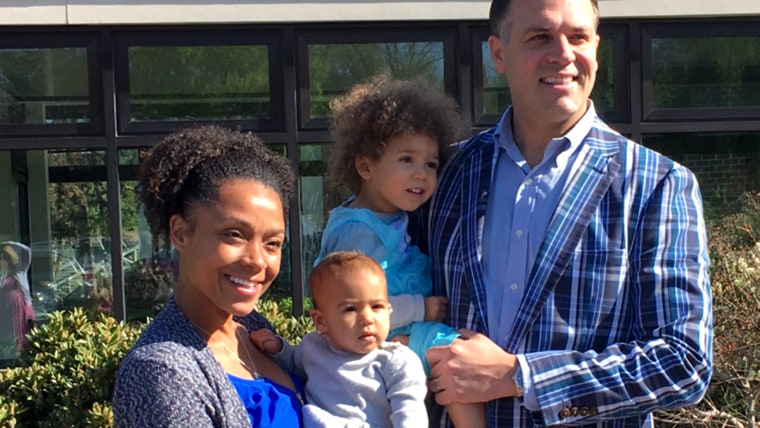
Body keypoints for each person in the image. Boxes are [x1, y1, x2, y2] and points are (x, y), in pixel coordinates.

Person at [416, 0, 713, 426]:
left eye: (578, 37)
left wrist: (520, 377)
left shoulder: (656, 184)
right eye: (539, 37)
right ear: (498, 53)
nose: (562, 53)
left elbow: (683, 362)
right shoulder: (445, 175)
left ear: (596, 47)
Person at [315, 76, 485, 427]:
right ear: (365, 167)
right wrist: (421, 307)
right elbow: (354, 304)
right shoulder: (357, 232)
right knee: (458, 354)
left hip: (393, 334)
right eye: (406, 159)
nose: (421, 175)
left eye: (431, 164)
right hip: (379, 337)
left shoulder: (393, 217)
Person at [113, 125, 304, 427]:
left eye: (273, 243)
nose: (257, 261)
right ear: (180, 233)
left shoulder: (252, 330)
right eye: (234, 235)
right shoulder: (160, 371)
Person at [252, 251, 428, 427]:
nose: (367, 318)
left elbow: (409, 411)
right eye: (351, 309)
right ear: (321, 321)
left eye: (377, 306)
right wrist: (277, 348)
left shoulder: (396, 360)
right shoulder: (313, 347)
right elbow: (293, 362)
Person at [0, 241, 34, 357]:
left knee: (22, 333)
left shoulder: (20, 271)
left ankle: (22, 354)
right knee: (9, 334)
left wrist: (7, 243)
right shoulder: (2, 276)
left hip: (21, 308)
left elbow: (26, 251)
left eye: (4, 258)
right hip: (7, 309)